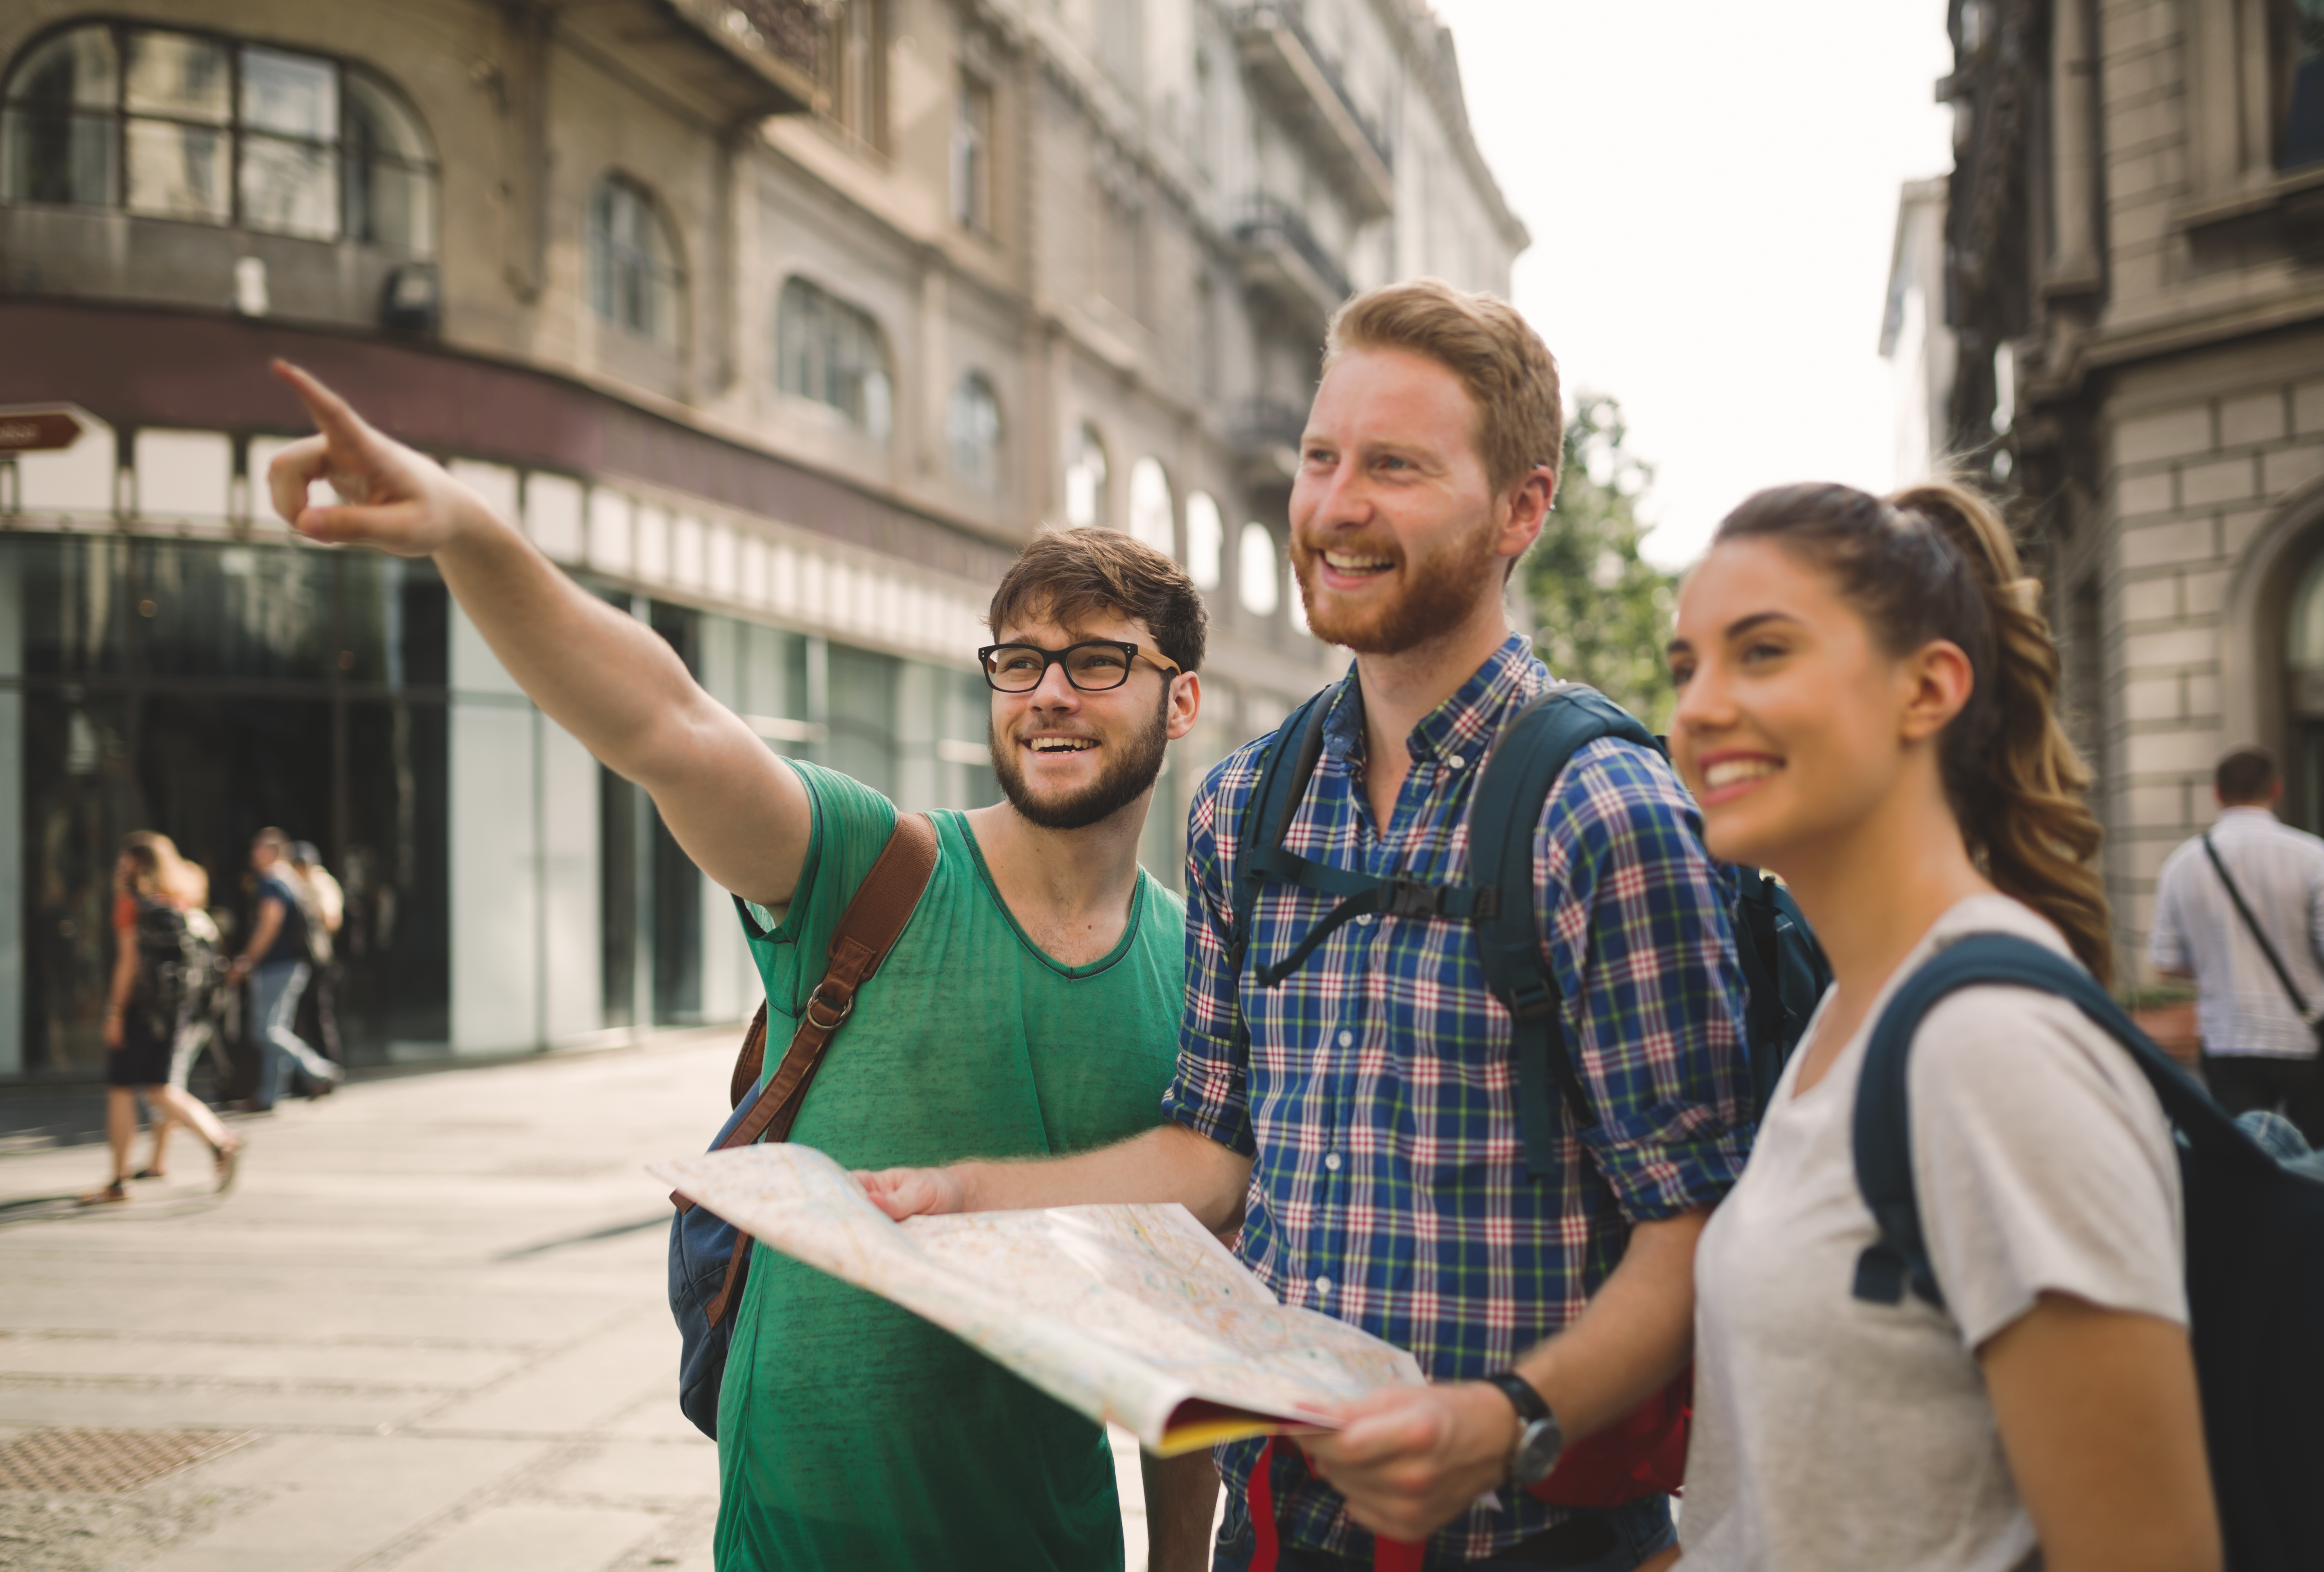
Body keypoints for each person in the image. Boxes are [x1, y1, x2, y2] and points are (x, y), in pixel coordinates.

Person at [260, 360, 1221, 1572]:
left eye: (1097, 661)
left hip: (1049, 1542)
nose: (1047, 694)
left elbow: (1187, 1314)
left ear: (1180, 701)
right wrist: (469, 532)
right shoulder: (880, 866)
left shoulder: (1199, 972)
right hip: (798, 1536)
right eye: (1018, 660)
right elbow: (666, 722)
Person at [864, 279, 1750, 1571]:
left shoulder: (1604, 811)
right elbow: (1213, 1153)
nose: (1336, 506)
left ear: (1522, 508)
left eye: (1395, 466)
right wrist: (966, 1194)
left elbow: (1696, 1225)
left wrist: (1505, 1420)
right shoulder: (1245, 806)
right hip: (1280, 1532)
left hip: (1533, 1540)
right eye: (1322, 459)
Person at [1663, 482, 2219, 1570]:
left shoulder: (1991, 1048)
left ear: (1928, 689)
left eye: (1763, 653)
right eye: (1688, 667)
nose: (1700, 709)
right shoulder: (1853, 1013)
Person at [2151, 746, 2324, 1150]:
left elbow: (2166, 962)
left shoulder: (2182, 863)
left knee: (2242, 1164)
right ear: (2276, 789)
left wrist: (2218, 961)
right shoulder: (2312, 855)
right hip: (2305, 1037)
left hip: (2227, 1036)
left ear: (2217, 794)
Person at [81, 835, 243, 1204]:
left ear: (136, 864)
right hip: (173, 1009)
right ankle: (221, 1141)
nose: (118, 867)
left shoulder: (131, 903)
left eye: (123, 861)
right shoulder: (178, 901)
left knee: (121, 1090)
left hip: (140, 1009)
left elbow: (128, 962)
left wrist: (114, 1012)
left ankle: (118, 1182)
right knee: (161, 1088)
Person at [228, 828, 342, 1111]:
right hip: (294, 964)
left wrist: (246, 960)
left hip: (277, 964)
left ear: (272, 851)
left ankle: (320, 1070)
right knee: (277, 1028)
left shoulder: (272, 881)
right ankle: (269, 1096)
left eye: (258, 848)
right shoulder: (291, 880)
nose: (252, 854)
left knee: (265, 1030)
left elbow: (270, 925)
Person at [288, 840, 346, 1071]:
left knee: (318, 1015)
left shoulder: (320, 883)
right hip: (306, 958)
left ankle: (329, 1068)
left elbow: (332, 921)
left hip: (319, 960)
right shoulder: (297, 884)